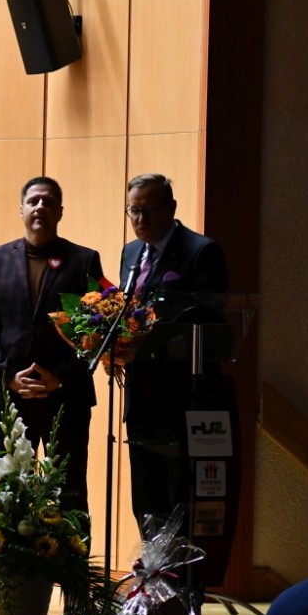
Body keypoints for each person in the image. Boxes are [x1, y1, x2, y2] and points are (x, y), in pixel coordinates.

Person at [0, 177, 103, 513]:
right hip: (12, 396)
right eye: (33, 201)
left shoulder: (84, 260)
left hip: (67, 396)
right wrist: (9, 377)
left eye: (48, 201)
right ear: (21, 210)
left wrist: (59, 377)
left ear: (60, 211)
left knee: (70, 492)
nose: (40, 206)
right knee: (12, 494)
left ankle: (72, 551)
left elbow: (96, 330)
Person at [119, 173, 228, 529]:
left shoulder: (201, 252)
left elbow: (208, 329)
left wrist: (149, 347)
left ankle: (181, 563)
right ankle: (153, 561)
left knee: (180, 493)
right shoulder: (130, 253)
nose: (140, 219)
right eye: (133, 210)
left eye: (149, 210)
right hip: (140, 398)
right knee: (145, 494)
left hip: (183, 398)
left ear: (172, 208)